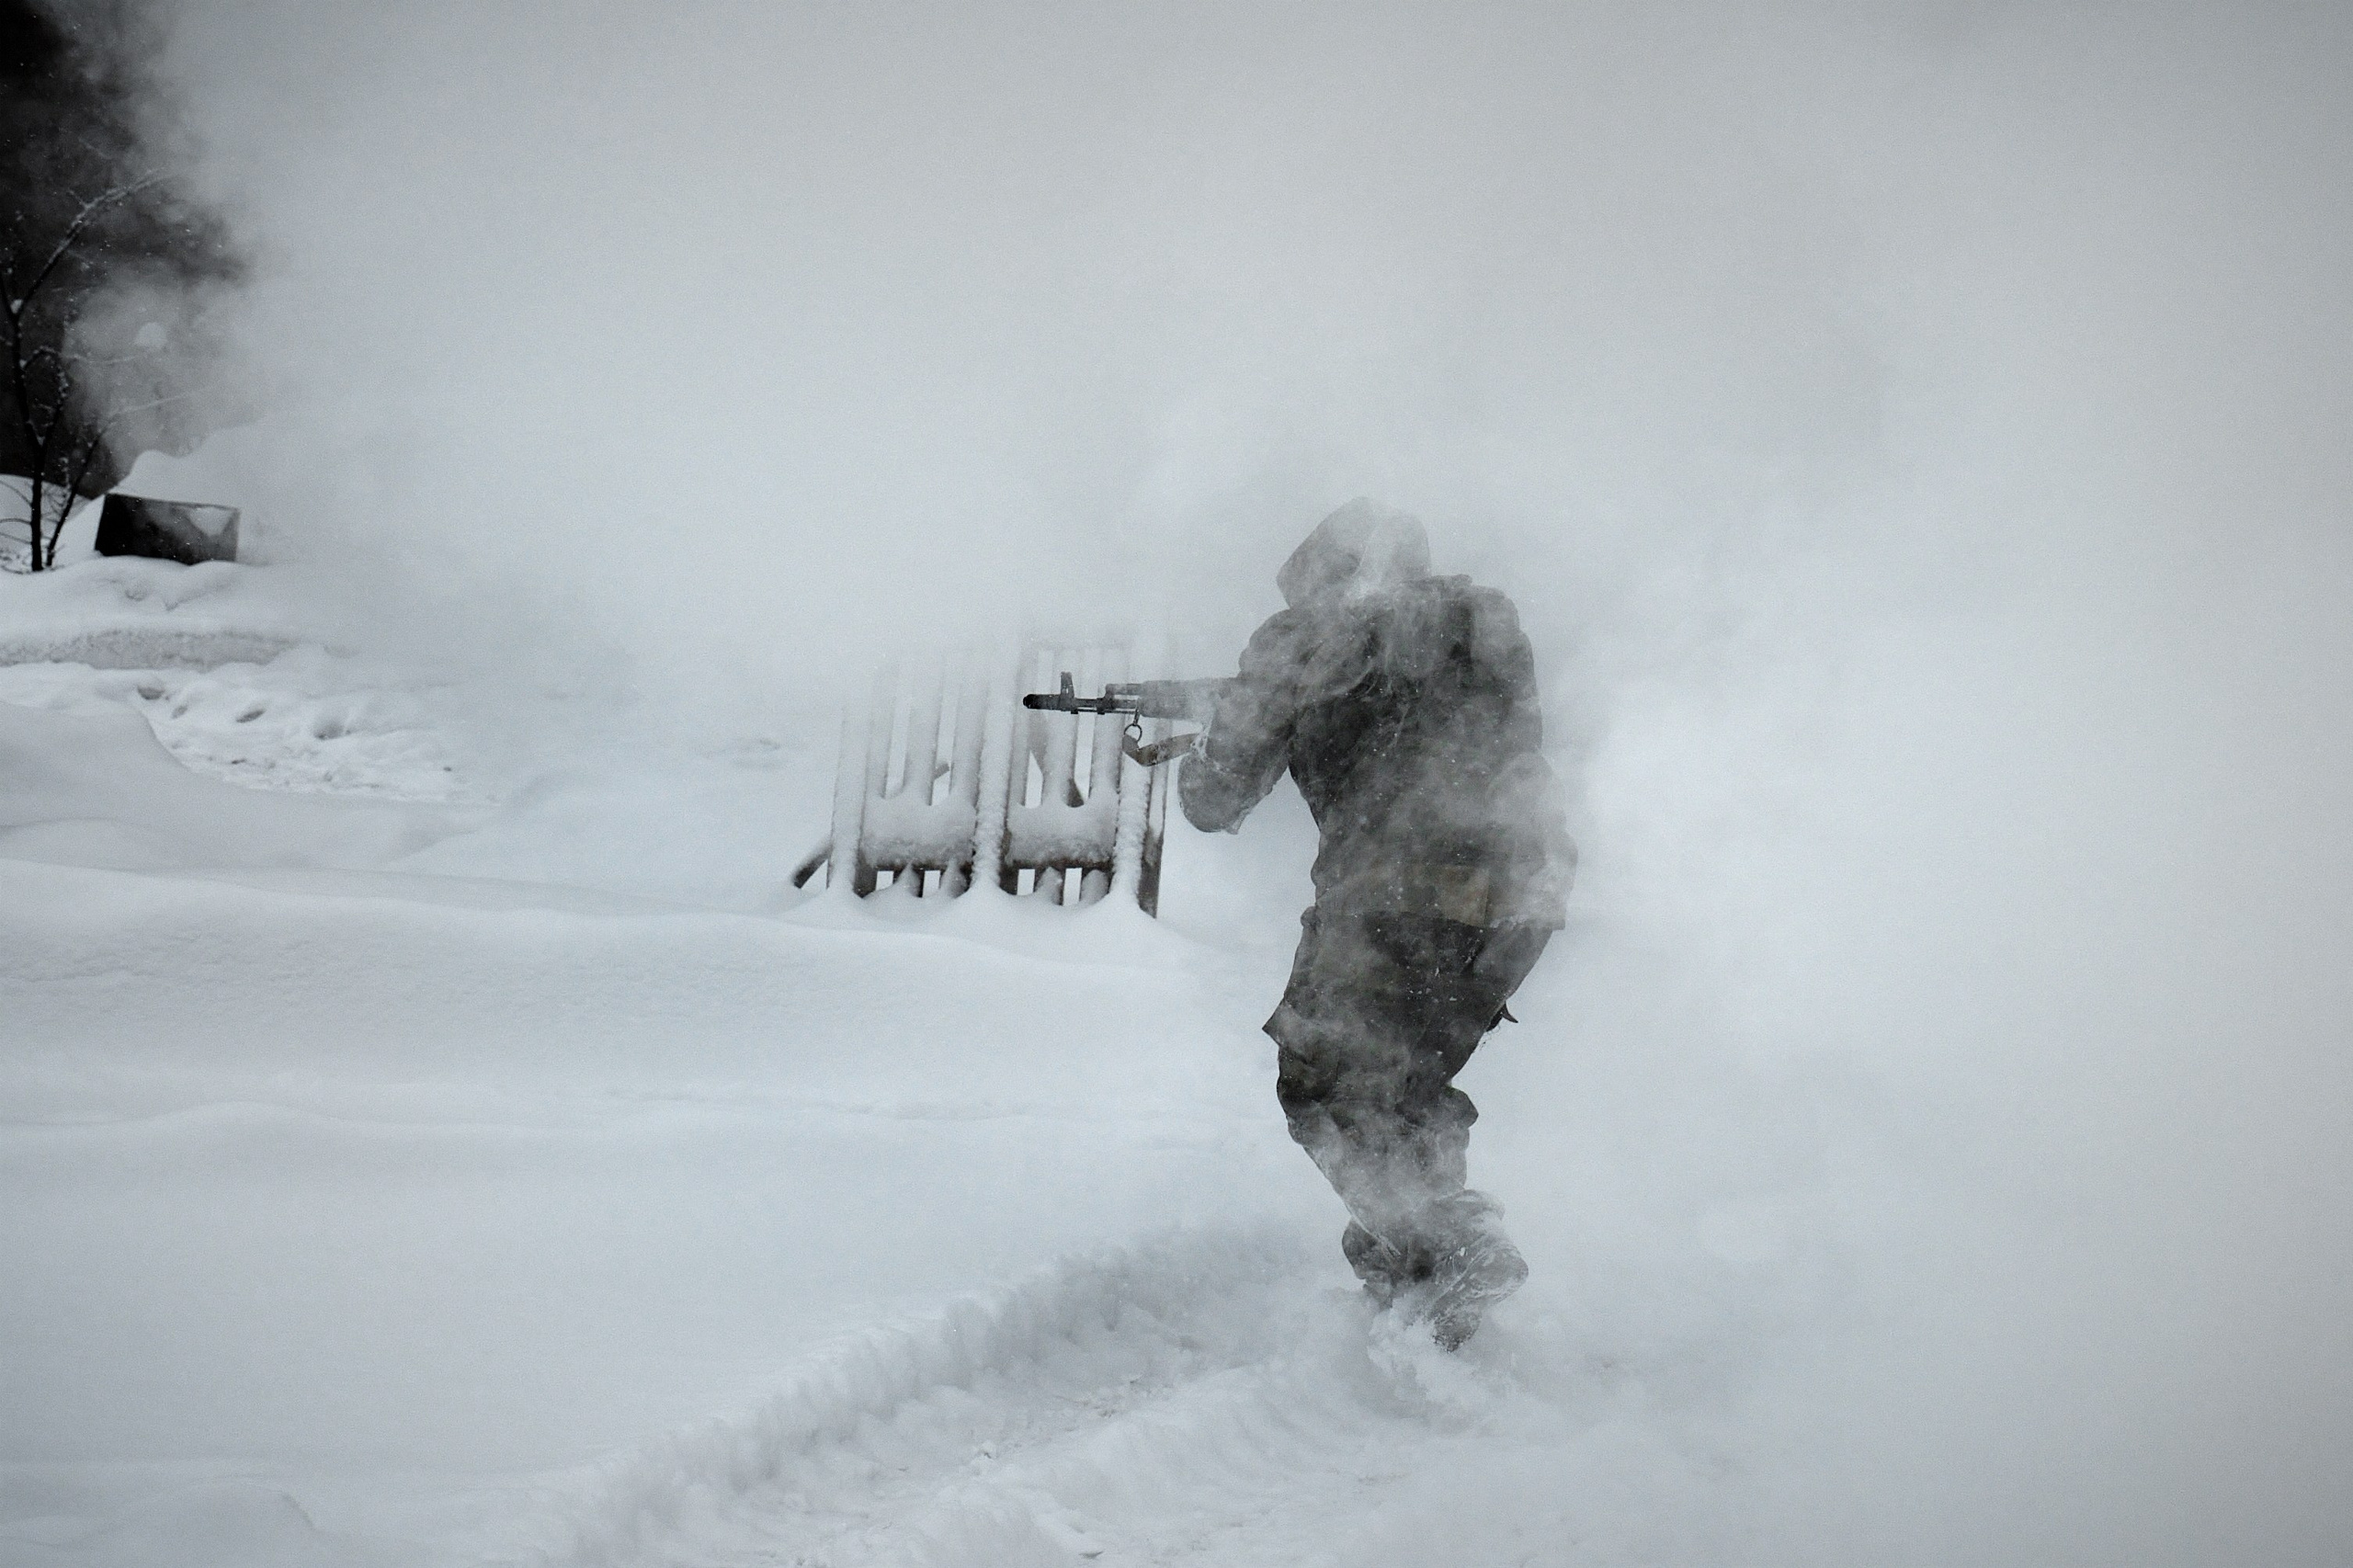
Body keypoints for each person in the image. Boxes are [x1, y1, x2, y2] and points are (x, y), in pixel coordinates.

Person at [1179, 498, 1574, 1349]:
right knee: (1404, 1092)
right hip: (1517, 899)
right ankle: (1433, 1301)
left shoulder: (1303, 642)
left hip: (1395, 891)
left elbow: (1216, 799)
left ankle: (1449, 1248)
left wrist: (1223, 730)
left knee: (1319, 1084)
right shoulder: (1483, 628)